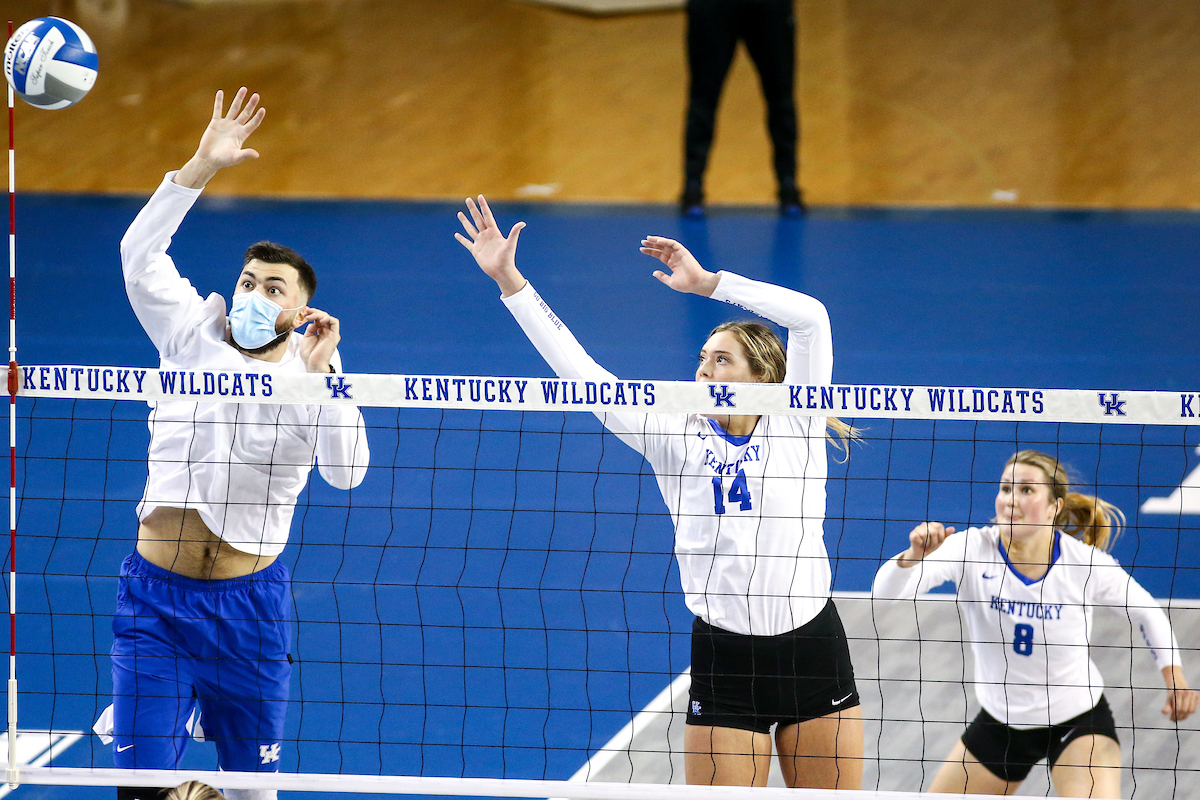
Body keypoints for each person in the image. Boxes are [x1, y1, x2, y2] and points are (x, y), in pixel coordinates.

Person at [455, 196, 862, 789]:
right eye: (702, 359)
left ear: (763, 377)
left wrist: (710, 284)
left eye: (722, 360)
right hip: (726, 660)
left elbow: (811, 319)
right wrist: (510, 282)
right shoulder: (672, 433)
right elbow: (582, 373)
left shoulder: (797, 421)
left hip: (813, 651)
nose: (704, 370)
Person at [98, 88, 370, 800]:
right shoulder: (188, 335)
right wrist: (200, 167)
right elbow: (138, 255)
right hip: (155, 603)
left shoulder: (316, 376)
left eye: (273, 288)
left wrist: (321, 383)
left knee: (251, 791)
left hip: (249, 610)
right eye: (248, 281)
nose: (253, 294)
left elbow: (347, 474)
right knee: (141, 792)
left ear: (300, 309)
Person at [872, 450, 1198, 798]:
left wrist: (1175, 678)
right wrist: (913, 557)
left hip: (1076, 721)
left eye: (1026, 490)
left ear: (1054, 507)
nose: (1011, 500)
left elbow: (1147, 611)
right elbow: (884, 595)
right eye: (1006, 488)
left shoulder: (1084, 563)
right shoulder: (970, 549)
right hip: (1002, 724)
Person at [681, 0, 803, 217]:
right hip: (713, 7)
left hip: (768, 7)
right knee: (703, 98)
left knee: (781, 97)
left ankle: (788, 184)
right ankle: (693, 185)